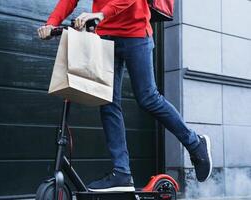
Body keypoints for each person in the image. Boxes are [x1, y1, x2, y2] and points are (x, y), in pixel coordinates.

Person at [37, 0, 213, 192]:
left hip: (136, 33)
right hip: (105, 36)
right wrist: (51, 22)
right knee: (108, 103)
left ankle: (195, 144)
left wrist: (101, 14)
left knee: (148, 98)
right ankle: (122, 173)